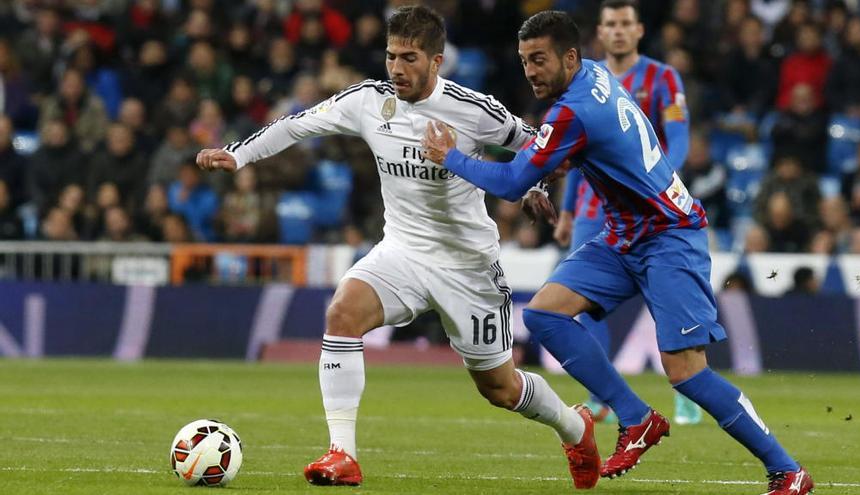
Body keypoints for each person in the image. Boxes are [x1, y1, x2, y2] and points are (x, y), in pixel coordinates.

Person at [195, 5, 600, 489]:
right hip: (402, 252)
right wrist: (238, 155)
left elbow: (539, 150)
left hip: (467, 267)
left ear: (436, 61)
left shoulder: (475, 110)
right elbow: (298, 124)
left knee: (500, 388)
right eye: (390, 56)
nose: (396, 69)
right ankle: (342, 453)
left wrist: (535, 189)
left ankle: (576, 427)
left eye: (409, 58)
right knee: (342, 313)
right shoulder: (369, 100)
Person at [422, 10, 814, 495]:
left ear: (569, 56)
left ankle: (788, 469)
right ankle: (636, 418)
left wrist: (451, 158)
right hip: (624, 235)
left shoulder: (573, 110)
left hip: (670, 237)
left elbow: (509, 182)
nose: (530, 71)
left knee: (686, 373)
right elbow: (563, 156)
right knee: (545, 315)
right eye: (524, 61)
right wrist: (542, 175)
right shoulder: (594, 77)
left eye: (539, 59)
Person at [553, 0, 700, 426]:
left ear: (639, 31)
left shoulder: (662, 78)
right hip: (591, 211)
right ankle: (599, 396)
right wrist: (566, 212)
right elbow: (578, 149)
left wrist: (659, 188)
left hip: (646, 209)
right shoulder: (587, 76)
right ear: (600, 32)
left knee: (667, 300)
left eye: (626, 24)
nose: (618, 31)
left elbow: (680, 140)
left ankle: (687, 390)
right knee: (580, 303)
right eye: (611, 24)